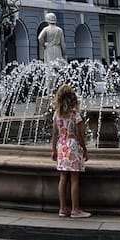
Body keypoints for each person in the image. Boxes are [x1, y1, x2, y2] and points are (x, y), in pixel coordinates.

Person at [50, 83, 90, 217]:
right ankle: (75, 210)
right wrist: (84, 149)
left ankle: (62, 209)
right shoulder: (75, 116)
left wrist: (54, 150)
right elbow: (80, 135)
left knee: (62, 179)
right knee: (74, 180)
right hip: (72, 148)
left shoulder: (56, 115)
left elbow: (55, 134)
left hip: (61, 147)